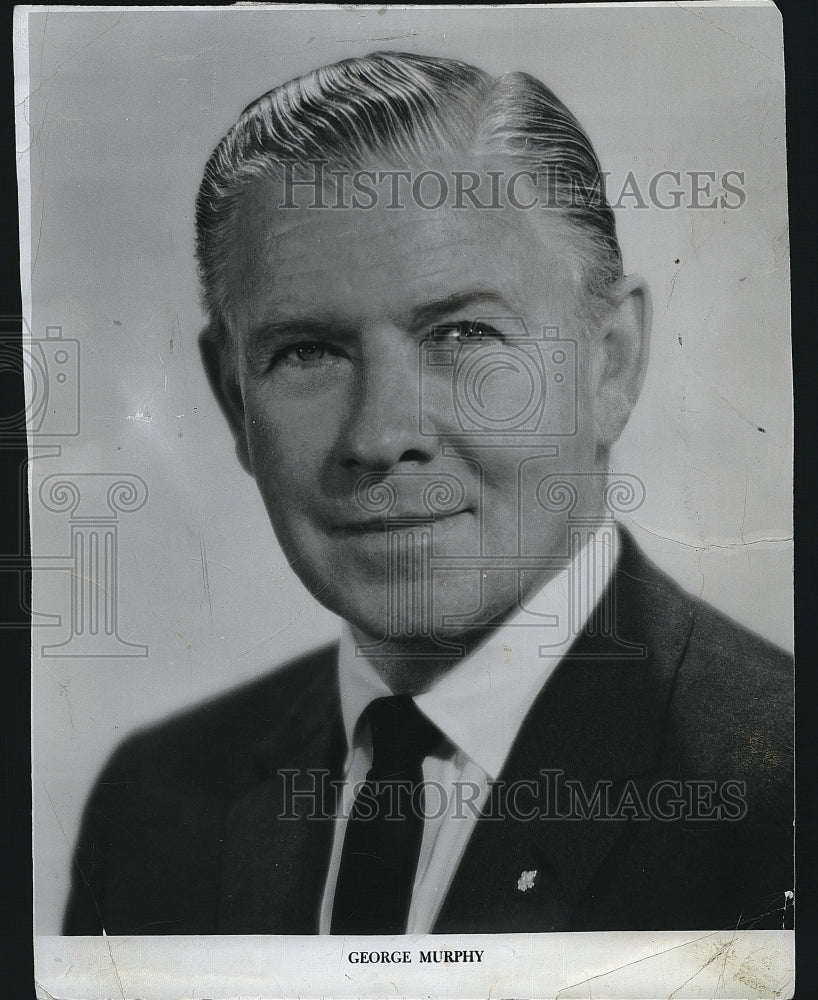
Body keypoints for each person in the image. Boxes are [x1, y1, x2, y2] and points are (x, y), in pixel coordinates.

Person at [63, 51, 792, 936]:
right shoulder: (156, 807)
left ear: (611, 363)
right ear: (233, 397)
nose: (379, 436)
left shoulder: (780, 792)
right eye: (308, 352)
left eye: (462, 333)